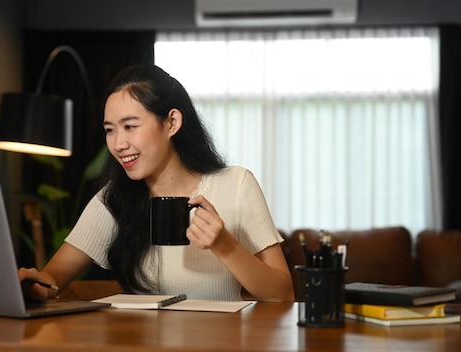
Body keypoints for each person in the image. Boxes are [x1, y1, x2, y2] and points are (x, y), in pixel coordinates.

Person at [19, 64, 294, 302]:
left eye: (130, 126)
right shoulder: (114, 198)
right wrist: (37, 285)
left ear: (172, 123)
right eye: (109, 130)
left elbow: (282, 293)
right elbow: (54, 277)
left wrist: (225, 245)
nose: (118, 144)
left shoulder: (236, 185)